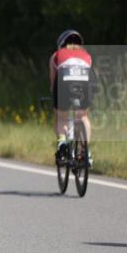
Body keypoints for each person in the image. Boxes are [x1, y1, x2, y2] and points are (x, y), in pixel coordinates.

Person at [49, 29, 93, 165]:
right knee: (83, 116)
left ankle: (62, 143)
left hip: (64, 79)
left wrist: (54, 96)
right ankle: (85, 151)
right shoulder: (87, 55)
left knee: (61, 116)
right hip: (85, 80)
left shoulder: (56, 55)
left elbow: (53, 83)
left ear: (61, 43)